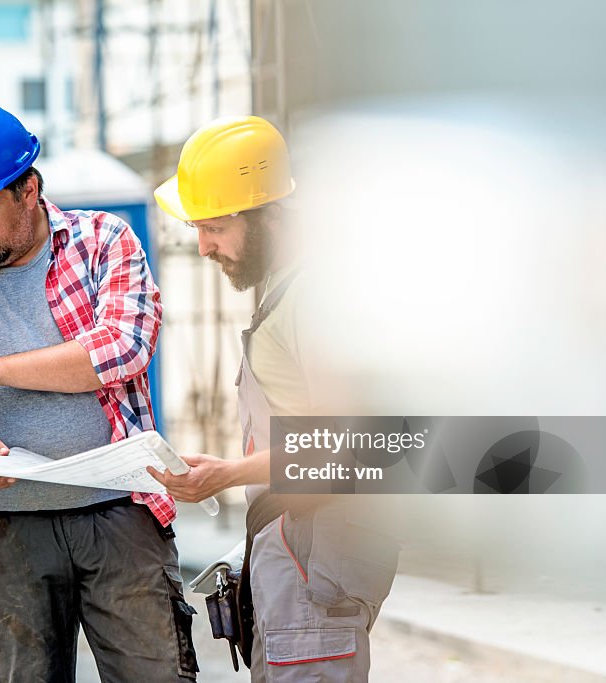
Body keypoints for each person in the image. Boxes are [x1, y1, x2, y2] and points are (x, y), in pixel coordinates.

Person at [0, 102, 198, 682]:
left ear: (29, 189)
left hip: (119, 515)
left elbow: (124, 346)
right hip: (6, 529)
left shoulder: (103, 241)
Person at [149, 116, 400, 681]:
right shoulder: (290, 292)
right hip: (299, 549)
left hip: (315, 556)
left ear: (266, 216)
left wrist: (228, 474)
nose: (203, 246)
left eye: (213, 226)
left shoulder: (316, 298)